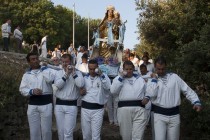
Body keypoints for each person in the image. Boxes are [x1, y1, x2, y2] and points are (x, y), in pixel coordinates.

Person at [142, 56, 202, 140]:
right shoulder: (152, 80)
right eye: (159, 69)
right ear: (155, 67)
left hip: (174, 115)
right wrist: (155, 79)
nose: (161, 71)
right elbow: (151, 94)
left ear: (166, 66)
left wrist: (196, 101)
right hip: (159, 115)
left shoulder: (175, 77)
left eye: (163, 69)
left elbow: (187, 89)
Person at [19, 52, 56, 140]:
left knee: (46, 131)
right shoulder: (26, 75)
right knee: (34, 131)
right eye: (33, 59)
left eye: (36, 59)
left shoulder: (47, 70)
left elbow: (51, 79)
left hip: (46, 104)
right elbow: (22, 89)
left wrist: (43, 68)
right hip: (32, 105)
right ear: (29, 62)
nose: (35, 61)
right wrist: (32, 91)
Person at [110, 60, 147, 140]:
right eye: (126, 69)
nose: (129, 71)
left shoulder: (140, 79)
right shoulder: (118, 79)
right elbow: (113, 91)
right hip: (124, 110)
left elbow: (147, 91)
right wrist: (121, 77)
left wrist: (147, 98)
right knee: (126, 136)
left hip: (139, 109)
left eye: (130, 69)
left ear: (133, 69)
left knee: (138, 136)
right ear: (123, 69)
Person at [53, 54, 84, 140]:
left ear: (71, 62)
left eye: (66, 62)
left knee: (68, 133)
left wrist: (73, 74)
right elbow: (58, 85)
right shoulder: (59, 73)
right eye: (63, 62)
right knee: (60, 132)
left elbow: (81, 84)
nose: (65, 64)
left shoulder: (77, 73)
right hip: (59, 105)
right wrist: (66, 74)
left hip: (72, 106)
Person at [80, 59, 111, 140]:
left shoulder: (103, 76)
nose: (92, 71)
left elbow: (108, 87)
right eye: (90, 69)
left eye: (94, 69)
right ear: (88, 68)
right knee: (86, 135)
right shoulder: (84, 77)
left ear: (97, 67)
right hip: (85, 109)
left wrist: (101, 74)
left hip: (98, 110)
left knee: (96, 136)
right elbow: (78, 90)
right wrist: (81, 92)